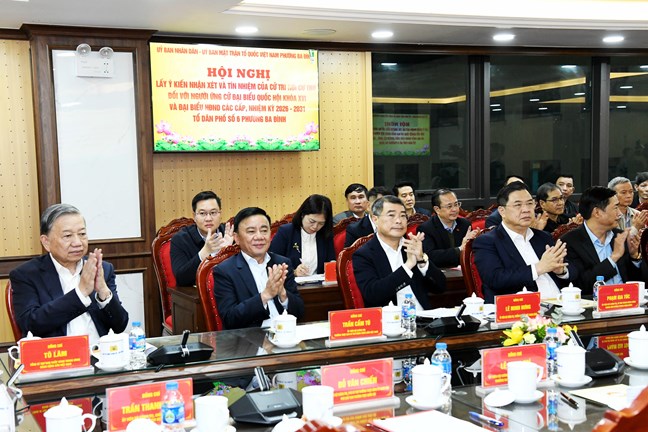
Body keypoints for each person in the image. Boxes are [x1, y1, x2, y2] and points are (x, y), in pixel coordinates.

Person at [9, 204, 129, 342]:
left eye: (82, 234)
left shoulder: (102, 269)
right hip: (57, 353)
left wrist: (103, 291)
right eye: (67, 236)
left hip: (100, 352)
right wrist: (80, 293)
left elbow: (120, 325)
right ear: (46, 242)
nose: (77, 242)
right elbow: (30, 324)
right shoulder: (27, 275)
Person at [473, 182, 573, 303]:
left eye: (530, 203)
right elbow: (495, 279)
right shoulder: (487, 242)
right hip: (519, 307)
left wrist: (561, 271)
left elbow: (572, 271)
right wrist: (538, 268)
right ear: (502, 211)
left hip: (561, 303)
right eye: (518, 205)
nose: (526, 210)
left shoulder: (543, 237)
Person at [214, 207, 305, 329]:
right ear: (237, 238)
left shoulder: (281, 263)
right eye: (251, 231)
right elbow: (230, 319)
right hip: (251, 337)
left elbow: (300, 312)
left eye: (264, 230)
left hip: (286, 333)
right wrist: (265, 295)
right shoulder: (225, 271)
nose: (259, 237)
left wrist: (283, 294)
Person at [353, 196, 446, 309]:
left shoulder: (411, 246)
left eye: (403, 216)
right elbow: (373, 295)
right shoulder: (364, 254)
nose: (398, 221)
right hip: (391, 317)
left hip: (423, 316)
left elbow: (440, 287)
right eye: (391, 215)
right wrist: (408, 266)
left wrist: (422, 260)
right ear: (375, 219)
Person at [562, 186, 646, 293]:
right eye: (615, 208)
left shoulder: (620, 236)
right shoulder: (570, 242)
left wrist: (635, 257)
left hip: (626, 299)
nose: (620, 214)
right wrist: (613, 258)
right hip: (595, 301)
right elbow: (580, 285)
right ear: (597, 212)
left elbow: (641, 282)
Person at [170, 191, 234, 286]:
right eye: (202, 213)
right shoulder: (180, 239)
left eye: (213, 213)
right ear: (194, 216)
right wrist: (204, 253)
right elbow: (181, 278)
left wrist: (227, 253)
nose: (208, 218)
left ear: (220, 214)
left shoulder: (230, 234)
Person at [269, 194, 335, 276]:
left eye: (321, 223)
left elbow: (331, 260)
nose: (315, 227)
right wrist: (294, 272)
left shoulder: (325, 234)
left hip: (320, 283)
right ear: (302, 215)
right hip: (292, 282)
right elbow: (272, 263)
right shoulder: (286, 232)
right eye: (312, 221)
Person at [417, 188, 478, 268]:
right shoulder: (426, 229)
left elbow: (472, 253)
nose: (455, 209)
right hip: (440, 272)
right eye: (449, 206)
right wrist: (460, 249)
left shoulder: (465, 224)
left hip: (463, 271)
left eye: (456, 204)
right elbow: (430, 256)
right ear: (437, 209)